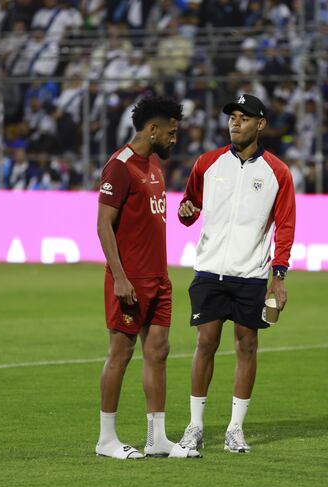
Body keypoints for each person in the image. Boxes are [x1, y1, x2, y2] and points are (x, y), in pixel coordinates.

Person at [177, 94, 296, 454]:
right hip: (210, 270)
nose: (235, 123)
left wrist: (279, 274)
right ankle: (195, 427)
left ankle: (235, 429)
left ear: (260, 124)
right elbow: (190, 207)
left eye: (243, 118)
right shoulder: (207, 163)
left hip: (251, 274)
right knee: (205, 344)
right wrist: (186, 212)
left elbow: (285, 225)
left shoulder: (278, 172)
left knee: (247, 346)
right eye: (232, 117)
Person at [96, 96, 199, 460]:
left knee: (158, 352)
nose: (175, 139)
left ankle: (157, 438)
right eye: (170, 133)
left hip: (159, 277)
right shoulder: (120, 166)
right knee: (120, 353)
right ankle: (106, 439)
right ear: (152, 129)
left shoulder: (154, 165)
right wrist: (120, 278)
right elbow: (103, 225)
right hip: (129, 281)